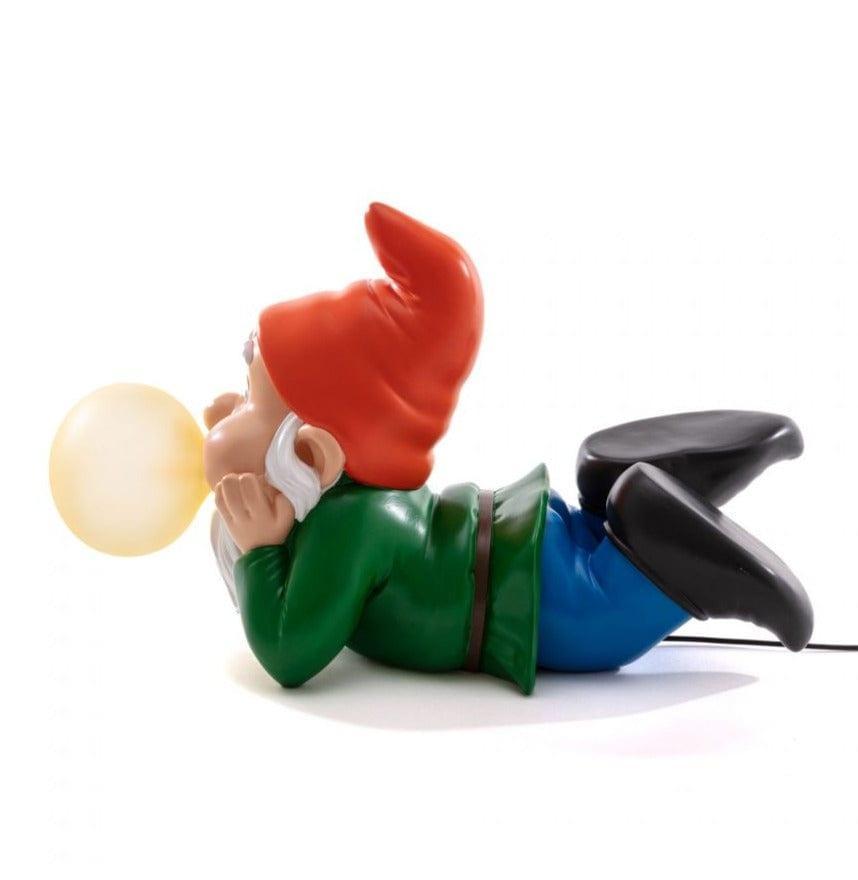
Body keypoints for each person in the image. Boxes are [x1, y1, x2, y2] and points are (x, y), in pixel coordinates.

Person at [205, 203, 813, 694]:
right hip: (527, 546)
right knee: (602, 510)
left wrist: (259, 550)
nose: (219, 412)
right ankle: (640, 481)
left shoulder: (347, 527)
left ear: (311, 456)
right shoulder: (352, 512)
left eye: (250, 403)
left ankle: (672, 535)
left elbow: (288, 653)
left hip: (565, 608)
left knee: (628, 564)